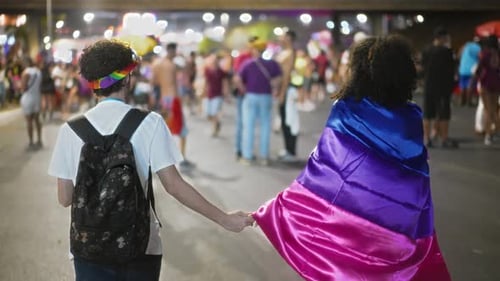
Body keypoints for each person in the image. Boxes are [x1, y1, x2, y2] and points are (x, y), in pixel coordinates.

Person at [48, 39, 254, 281]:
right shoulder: (150, 123)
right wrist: (224, 218)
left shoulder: (70, 130)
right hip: (141, 245)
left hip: (88, 248)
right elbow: (174, 186)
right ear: (126, 79)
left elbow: (64, 199)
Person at [253, 35, 451, 281]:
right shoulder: (411, 117)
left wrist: (278, 208)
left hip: (351, 227)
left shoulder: (346, 108)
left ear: (360, 72)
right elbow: (417, 175)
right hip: (395, 229)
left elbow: (325, 169)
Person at [234, 39, 282, 165]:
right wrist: (274, 89)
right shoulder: (272, 64)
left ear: (254, 50)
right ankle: (264, 157)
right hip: (266, 96)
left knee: (248, 127)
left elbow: (238, 79)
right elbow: (278, 79)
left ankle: (247, 156)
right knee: (265, 126)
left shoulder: (247, 64)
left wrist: (243, 89)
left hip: (251, 96)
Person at [151, 42, 193, 168]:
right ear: (173, 51)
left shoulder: (157, 64)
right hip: (173, 99)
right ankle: (183, 158)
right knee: (182, 130)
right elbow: (187, 71)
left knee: (165, 129)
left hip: (164, 99)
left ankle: (160, 158)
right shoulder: (172, 65)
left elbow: (154, 82)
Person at [421, 27, 458, 148]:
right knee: (443, 113)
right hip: (443, 88)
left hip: (429, 86)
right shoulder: (447, 52)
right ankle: (444, 138)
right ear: (442, 38)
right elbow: (451, 70)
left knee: (427, 113)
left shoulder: (426, 50)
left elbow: (422, 67)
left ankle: (426, 139)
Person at [471, 35, 500, 145]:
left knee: (488, 110)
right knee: (494, 109)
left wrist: (476, 79)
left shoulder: (485, 54)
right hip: (497, 83)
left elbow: (479, 69)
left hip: (486, 83)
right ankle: (495, 131)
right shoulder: (498, 54)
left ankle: (488, 135)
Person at [276, 30, 300, 161]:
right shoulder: (283, 52)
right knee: (284, 120)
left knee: (289, 121)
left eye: (283, 36)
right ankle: (287, 148)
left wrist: (282, 93)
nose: (280, 38)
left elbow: (286, 76)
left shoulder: (290, 53)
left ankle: (291, 151)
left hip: (287, 90)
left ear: (289, 38)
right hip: (282, 90)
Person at [20, 57, 42, 151]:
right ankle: (39, 140)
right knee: (37, 119)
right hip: (37, 97)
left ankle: (31, 141)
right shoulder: (38, 72)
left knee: (29, 121)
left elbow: (23, 88)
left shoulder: (26, 72)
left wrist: (19, 86)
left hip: (28, 98)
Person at [457, 37, 481, 106]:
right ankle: (469, 102)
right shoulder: (478, 48)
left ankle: (462, 101)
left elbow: (459, 56)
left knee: (462, 85)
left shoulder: (465, 46)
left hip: (462, 69)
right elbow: (480, 57)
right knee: (470, 85)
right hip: (471, 69)